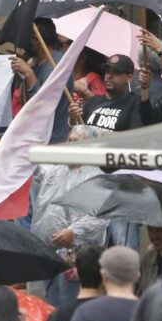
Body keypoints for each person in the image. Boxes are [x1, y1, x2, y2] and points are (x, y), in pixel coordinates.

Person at [31, 126, 108, 309]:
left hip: (76, 259)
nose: (72, 144)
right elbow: (34, 167)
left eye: (78, 141)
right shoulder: (55, 170)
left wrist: (73, 233)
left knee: (70, 308)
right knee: (47, 306)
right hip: (48, 253)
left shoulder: (95, 178)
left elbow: (98, 217)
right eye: (70, 140)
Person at [11, 18, 72, 144]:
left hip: (52, 141)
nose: (24, 44)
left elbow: (44, 106)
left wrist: (29, 74)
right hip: (34, 138)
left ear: (36, 40)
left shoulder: (57, 66)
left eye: (28, 39)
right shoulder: (36, 62)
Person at [68, 55, 142, 133]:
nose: (109, 76)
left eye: (116, 72)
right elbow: (78, 133)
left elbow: (133, 137)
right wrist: (73, 119)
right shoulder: (92, 101)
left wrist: (96, 134)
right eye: (107, 71)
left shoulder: (135, 103)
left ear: (128, 78)